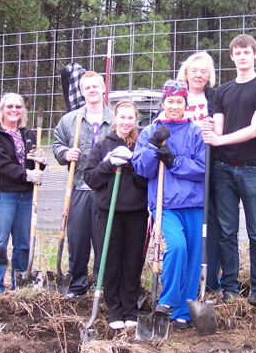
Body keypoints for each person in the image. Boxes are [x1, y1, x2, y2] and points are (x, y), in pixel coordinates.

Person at [202, 33, 256, 310]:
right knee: (227, 232)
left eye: (247, 52)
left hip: (253, 170)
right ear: (231, 56)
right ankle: (230, 288)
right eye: (237, 52)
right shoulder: (221, 92)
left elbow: (255, 129)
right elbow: (218, 128)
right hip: (223, 170)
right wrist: (211, 131)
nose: (242, 56)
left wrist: (219, 140)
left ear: (255, 55)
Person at [132, 79, 205, 330]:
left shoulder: (195, 132)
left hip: (193, 204)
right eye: (170, 101)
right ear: (163, 102)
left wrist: (174, 161)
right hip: (165, 204)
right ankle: (167, 301)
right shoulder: (149, 132)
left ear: (186, 103)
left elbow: (203, 167)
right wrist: (153, 147)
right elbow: (142, 168)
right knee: (177, 247)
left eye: (179, 101)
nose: (174, 106)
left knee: (193, 257)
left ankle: (182, 311)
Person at [84, 100, 148, 330]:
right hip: (108, 212)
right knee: (110, 261)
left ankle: (130, 308)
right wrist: (108, 163)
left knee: (132, 262)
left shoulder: (141, 144)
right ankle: (114, 309)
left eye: (130, 118)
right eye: (122, 117)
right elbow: (90, 178)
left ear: (135, 120)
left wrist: (134, 165)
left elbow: (146, 180)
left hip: (136, 213)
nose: (126, 122)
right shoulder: (103, 145)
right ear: (115, 118)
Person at [53, 71, 113, 298]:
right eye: (87, 87)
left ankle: (102, 284)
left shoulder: (115, 118)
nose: (92, 90)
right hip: (78, 186)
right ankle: (77, 283)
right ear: (81, 91)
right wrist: (66, 153)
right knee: (77, 238)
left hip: (105, 189)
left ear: (103, 87)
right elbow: (57, 143)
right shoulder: (70, 120)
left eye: (95, 86)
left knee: (103, 238)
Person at [0, 93, 45, 292]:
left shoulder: (28, 134)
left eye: (18, 107)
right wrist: (27, 175)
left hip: (25, 196)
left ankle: (20, 284)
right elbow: (1, 165)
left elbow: (34, 168)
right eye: (9, 106)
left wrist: (41, 162)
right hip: (1, 195)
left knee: (23, 243)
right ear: (2, 109)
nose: (14, 110)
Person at [177, 51, 221, 291]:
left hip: (209, 169)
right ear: (186, 73)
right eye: (194, 70)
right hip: (182, 171)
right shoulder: (176, 97)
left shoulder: (214, 98)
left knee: (210, 225)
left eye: (204, 72)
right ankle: (184, 280)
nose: (199, 75)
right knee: (186, 230)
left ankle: (210, 280)